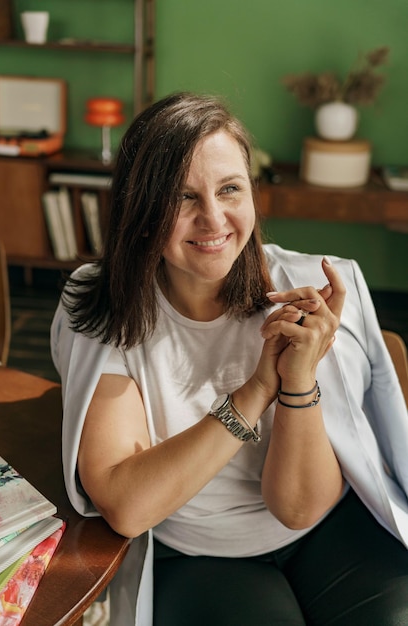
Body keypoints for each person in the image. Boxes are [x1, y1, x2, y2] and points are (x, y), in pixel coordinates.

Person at [51, 92, 408, 626]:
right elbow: (126, 505)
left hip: (329, 530)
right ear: (142, 208)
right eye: (183, 197)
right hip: (200, 553)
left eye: (229, 190)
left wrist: (297, 380)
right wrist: (254, 392)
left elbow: (298, 508)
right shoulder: (106, 303)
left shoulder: (310, 294)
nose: (213, 219)